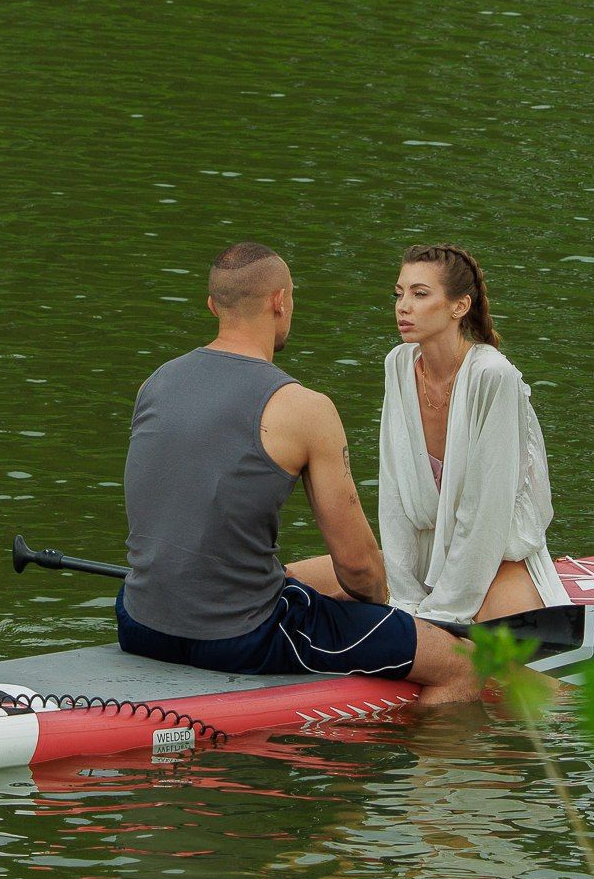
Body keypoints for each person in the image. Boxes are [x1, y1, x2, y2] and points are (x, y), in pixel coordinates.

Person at [115, 241, 482, 707]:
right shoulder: (304, 408)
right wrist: (389, 614)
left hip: (139, 623)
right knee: (463, 666)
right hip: (242, 638)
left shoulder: (156, 383)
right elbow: (359, 569)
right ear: (280, 302)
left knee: (337, 574)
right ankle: (409, 769)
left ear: (213, 306)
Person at [290, 243, 564, 624]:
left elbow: (486, 515)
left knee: (508, 655)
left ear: (459, 306)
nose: (403, 306)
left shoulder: (493, 376)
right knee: (290, 582)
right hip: (422, 560)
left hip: (495, 557)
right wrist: (403, 600)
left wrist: (440, 614)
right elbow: (395, 496)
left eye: (420, 294)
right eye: (399, 294)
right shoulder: (399, 364)